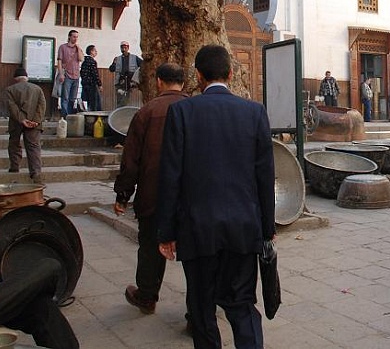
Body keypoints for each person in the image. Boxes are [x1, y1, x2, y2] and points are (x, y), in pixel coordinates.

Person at [156, 45, 275, 349]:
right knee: (242, 303)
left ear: (198, 76)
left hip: (197, 229)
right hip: (243, 228)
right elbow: (265, 176)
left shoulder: (182, 111)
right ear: (231, 73)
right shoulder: (254, 112)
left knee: (201, 307)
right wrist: (267, 227)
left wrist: (166, 232)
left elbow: (170, 177)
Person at [113, 63, 188, 315]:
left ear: (158, 82)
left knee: (149, 246)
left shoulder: (146, 112)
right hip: (190, 196)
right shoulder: (195, 109)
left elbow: (130, 160)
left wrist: (123, 195)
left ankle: (147, 296)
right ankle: (197, 309)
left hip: (153, 193)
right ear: (184, 83)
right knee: (194, 253)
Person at [5, 67, 46, 184]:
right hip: (34, 123)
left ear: (15, 79)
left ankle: (14, 167)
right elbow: (42, 106)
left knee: (14, 144)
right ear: (26, 77)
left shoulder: (10, 90)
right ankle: (36, 173)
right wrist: (36, 121)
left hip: (16, 123)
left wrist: (22, 119)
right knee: (33, 147)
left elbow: (11, 107)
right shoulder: (37, 89)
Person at [56, 29, 84, 117]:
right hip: (67, 75)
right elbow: (59, 61)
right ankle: (65, 116)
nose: (75, 39)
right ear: (69, 37)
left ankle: (71, 116)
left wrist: (78, 48)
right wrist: (61, 74)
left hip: (76, 75)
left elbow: (81, 59)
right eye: (74, 37)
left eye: (77, 37)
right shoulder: (62, 47)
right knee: (65, 97)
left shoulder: (78, 48)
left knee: (73, 98)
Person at [110, 41, 142, 107]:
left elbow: (142, 65)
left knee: (125, 100)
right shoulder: (117, 59)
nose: (124, 49)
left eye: (125, 47)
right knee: (120, 100)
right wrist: (114, 63)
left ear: (128, 48)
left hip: (130, 83)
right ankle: (119, 113)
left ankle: (122, 112)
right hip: (120, 82)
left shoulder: (135, 58)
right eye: (122, 48)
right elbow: (111, 69)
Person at [80, 45, 102, 112]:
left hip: (84, 84)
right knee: (95, 102)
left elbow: (81, 72)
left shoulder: (84, 61)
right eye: (95, 51)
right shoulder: (92, 61)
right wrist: (99, 84)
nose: (96, 52)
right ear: (91, 51)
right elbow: (95, 74)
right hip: (91, 84)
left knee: (87, 101)